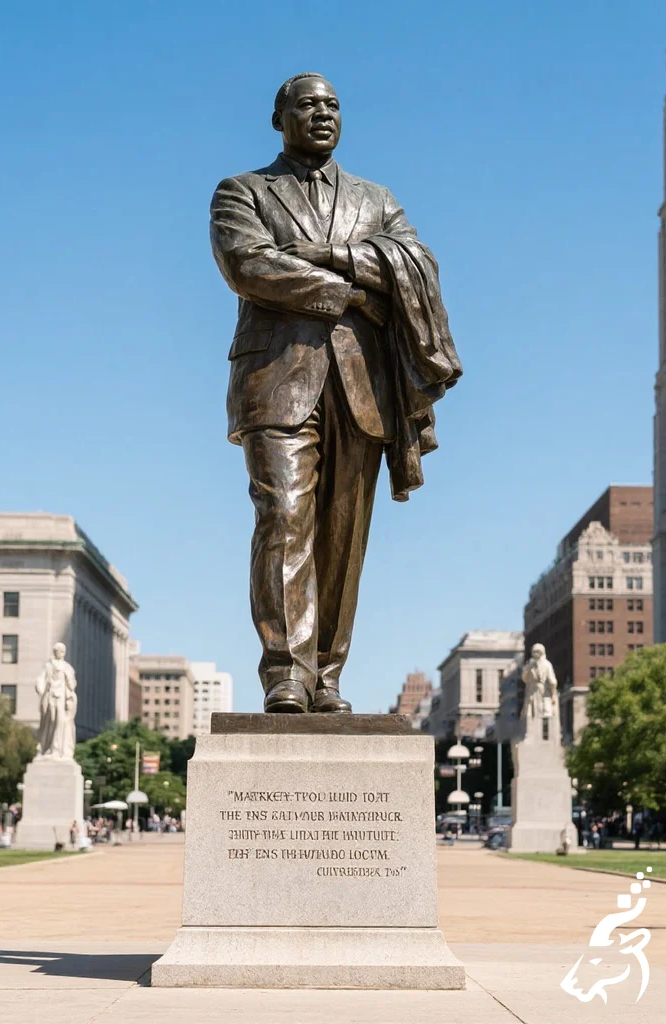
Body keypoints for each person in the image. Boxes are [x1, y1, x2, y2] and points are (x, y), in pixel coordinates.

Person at [210, 72, 461, 714]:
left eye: (333, 105)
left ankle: (326, 674)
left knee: (342, 537)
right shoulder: (242, 191)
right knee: (283, 517)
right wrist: (349, 290)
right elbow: (250, 266)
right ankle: (284, 674)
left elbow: (414, 264)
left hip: (362, 384)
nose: (323, 114)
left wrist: (330, 254)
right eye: (308, 104)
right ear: (279, 118)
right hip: (277, 381)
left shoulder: (377, 199)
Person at [35, 643, 78, 758]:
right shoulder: (48, 666)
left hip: (62, 699)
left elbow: (72, 685)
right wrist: (40, 688)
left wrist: (68, 677)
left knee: (60, 722)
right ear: (55, 652)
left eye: (62, 651)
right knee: (51, 721)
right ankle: (47, 748)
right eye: (58, 650)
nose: (60, 653)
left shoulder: (67, 668)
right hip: (50, 697)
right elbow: (41, 679)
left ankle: (56, 749)